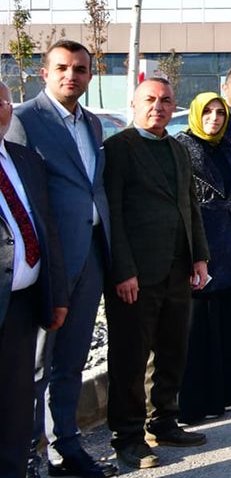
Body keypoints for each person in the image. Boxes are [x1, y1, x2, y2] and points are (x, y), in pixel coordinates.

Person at [8, 40, 113, 478]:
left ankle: (66, 447)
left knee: (71, 360)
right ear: (45, 72)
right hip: (47, 264)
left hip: (90, 256)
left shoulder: (92, 123)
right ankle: (28, 456)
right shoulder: (23, 120)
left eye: (81, 69)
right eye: (63, 68)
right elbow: (19, 193)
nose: (72, 76)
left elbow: (93, 187)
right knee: (35, 367)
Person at [103, 79, 210, 469]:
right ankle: (128, 437)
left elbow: (190, 205)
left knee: (171, 350)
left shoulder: (177, 148)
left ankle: (163, 421)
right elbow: (112, 213)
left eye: (165, 101)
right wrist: (123, 270)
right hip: (136, 274)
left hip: (177, 268)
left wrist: (200, 256)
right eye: (149, 99)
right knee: (130, 358)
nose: (158, 107)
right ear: (133, 104)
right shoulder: (118, 149)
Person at [173, 93, 231, 424]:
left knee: (230, 320)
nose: (214, 118)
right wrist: (191, 253)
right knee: (199, 326)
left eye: (220, 113)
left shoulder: (228, 150)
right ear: (196, 114)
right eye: (207, 112)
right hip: (201, 243)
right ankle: (199, 401)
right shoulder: (181, 148)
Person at [0, 81, 67, 478]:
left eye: (2, 103)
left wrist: (56, 294)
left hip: (23, 305)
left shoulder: (24, 159)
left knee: (16, 403)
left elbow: (46, 228)